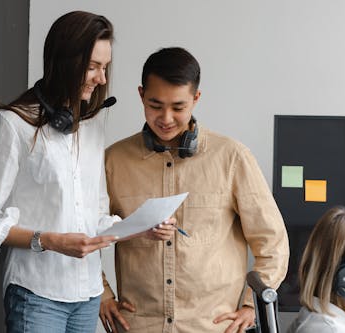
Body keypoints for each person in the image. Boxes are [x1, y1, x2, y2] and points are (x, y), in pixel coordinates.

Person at [99, 47, 290, 333]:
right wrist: (102, 295)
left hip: (212, 327)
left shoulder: (232, 157)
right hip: (139, 326)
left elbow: (272, 242)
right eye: (154, 105)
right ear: (140, 95)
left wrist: (253, 306)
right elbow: (84, 232)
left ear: (196, 99)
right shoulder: (113, 161)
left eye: (178, 107)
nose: (166, 118)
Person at [0, 11, 137, 333]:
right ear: (64, 62)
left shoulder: (92, 126)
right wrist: (49, 241)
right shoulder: (10, 125)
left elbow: (97, 212)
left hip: (88, 294)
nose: (102, 79)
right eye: (92, 67)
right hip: (36, 294)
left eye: (105, 67)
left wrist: (139, 226)